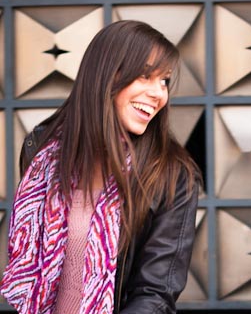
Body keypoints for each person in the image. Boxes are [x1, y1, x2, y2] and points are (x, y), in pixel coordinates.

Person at [1, 20, 200, 314]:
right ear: (106, 75)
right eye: (146, 75)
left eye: (164, 80)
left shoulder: (173, 174)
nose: (159, 93)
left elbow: (156, 293)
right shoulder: (42, 153)